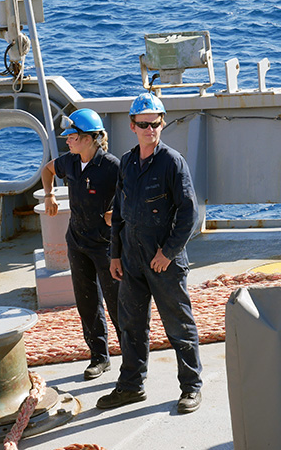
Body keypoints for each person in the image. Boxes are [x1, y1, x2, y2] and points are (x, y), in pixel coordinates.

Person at [96, 93, 203, 414]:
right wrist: (115, 255)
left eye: (155, 123)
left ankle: (191, 387)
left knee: (179, 325)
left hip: (163, 263)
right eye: (143, 124)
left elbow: (189, 214)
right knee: (131, 325)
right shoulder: (127, 162)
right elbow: (120, 212)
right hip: (131, 260)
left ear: (162, 123)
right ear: (132, 126)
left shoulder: (172, 162)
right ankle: (131, 386)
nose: (149, 129)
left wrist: (168, 253)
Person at [41, 108, 121, 380]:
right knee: (87, 302)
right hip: (77, 242)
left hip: (106, 247)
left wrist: (117, 213)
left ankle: (132, 358)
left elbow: (130, 194)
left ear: (88, 139)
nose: (67, 141)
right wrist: (49, 195)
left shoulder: (112, 166)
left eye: (72, 137)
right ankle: (99, 357)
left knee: (117, 302)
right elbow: (48, 169)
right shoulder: (70, 162)